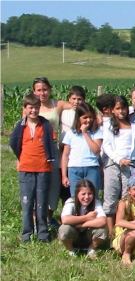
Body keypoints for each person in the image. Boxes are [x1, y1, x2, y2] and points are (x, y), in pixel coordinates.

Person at [10, 92, 55, 243]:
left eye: (36, 107)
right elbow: (14, 143)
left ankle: (43, 234)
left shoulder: (46, 125)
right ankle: (26, 235)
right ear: (25, 108)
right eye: (30, 108)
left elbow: (51, 143)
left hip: (43, 168)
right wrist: (21, 157)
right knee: (27, 202)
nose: (34, 111)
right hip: (26, 168)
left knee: (42, 202)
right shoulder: (20, 125)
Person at [32, 77, 72, 229]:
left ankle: (49, 216)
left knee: (54, 183)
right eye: (39, 90)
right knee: (38, 184)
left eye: (45, 89)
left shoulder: (58, 104)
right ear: (34, 91)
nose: (42, 93)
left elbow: (79, 107)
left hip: (54, 150)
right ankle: (36, 218)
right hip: (37, 151)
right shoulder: (31, 107)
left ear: (50, 89)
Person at [102, 95, 135, 237]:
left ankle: (124, 229)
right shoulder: (108, 125)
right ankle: (111, 232)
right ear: (112, 110)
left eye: (123, 108)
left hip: (129, 165)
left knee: (126, 198)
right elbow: (106, 145)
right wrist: (118, 159)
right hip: (113, 164)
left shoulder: (133, 126)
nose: (121, 111)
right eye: (117, 108)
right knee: (111, 197)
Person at [61, 102, 102, 198]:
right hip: (74, 169)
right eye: (85, 117)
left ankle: (92, 213)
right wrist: (64, 175)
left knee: (92, 196)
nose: (88, 120)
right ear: (78, 118)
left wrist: (85, 133)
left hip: (91, 167)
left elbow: (96, 150)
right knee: (76, 197)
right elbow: (65, 155)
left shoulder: (96, 132)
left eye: (90, 117)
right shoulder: (71, 133)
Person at [58, 180, 107, 258]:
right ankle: (70, 250)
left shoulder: (96, 203)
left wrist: (81, 225)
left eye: (90, 194)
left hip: (88, 235)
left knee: (102, 230)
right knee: (64, 229)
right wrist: (87, 217)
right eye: (83, 194)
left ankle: (91, 249)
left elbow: (103, 221)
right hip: (73, 235)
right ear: (77, 194)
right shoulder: (70, 202)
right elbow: (65, 219)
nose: (87, 197)